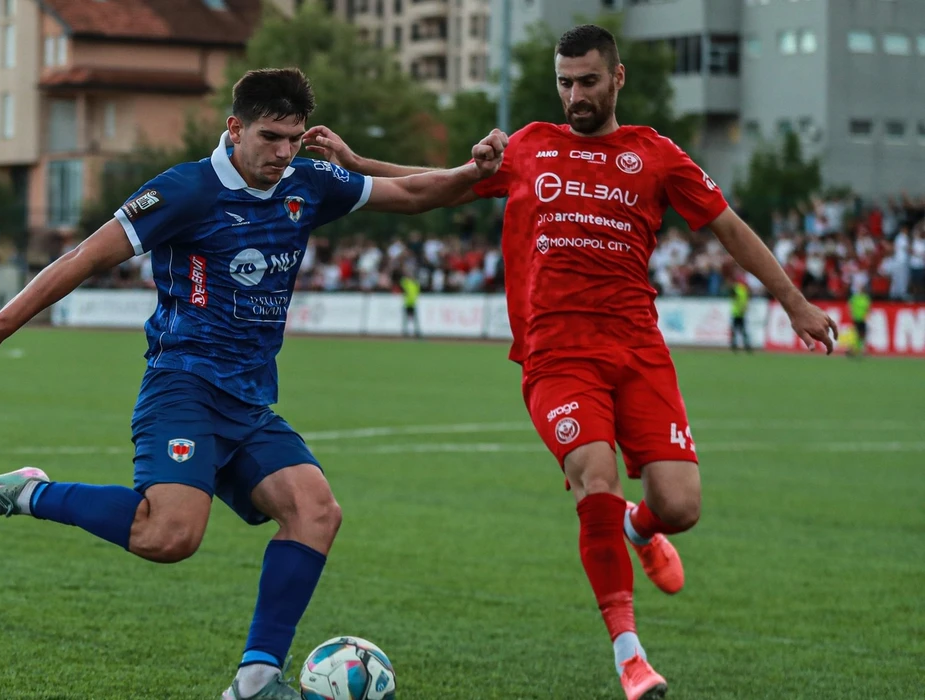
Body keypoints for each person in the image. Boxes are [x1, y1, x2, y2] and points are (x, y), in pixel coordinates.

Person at [0, 68, 507, 700]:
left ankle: (255, 681)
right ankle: (27, 494)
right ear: (235, 128)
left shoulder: (308, 183)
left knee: (315, 512)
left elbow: (419, 194)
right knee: (169, 537)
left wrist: (473, 171)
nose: (283, 152)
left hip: (250, 399)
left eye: (294, 138)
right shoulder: (185, 190)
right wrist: (3, 322)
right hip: (183, 385)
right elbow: (83, 257)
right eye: (270, 137)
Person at [302, 25, 837, 700]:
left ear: (616, 78)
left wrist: (793, 302)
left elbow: (728, 226)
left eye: (587, 81)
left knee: (679, 506)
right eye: (565, 82)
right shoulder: (529, 145)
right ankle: (630, 654)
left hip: (638, 351)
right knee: (595, 477)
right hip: (556, 355)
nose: (575, 95)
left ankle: (638, 527)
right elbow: (439, 186)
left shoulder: (656, 155)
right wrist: (356, 162)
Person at [730, 273, 752, 353]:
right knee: (742, 331)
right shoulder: (743, 290)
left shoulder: (737, 289)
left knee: (736, 330)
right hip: (739, 313)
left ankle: (735, 346)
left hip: (737, 313)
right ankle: (746, 346)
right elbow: (745, 300)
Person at [848, 283, 871, 357]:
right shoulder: (855, 297)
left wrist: (866, 315)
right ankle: (855, 349)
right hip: (856, 318)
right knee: (857, 334)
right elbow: (850, 306)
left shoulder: (865, 298)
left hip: (862, 319)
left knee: (862, 334)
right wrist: (852, 314)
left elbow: (868, 308)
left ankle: (859, 349)